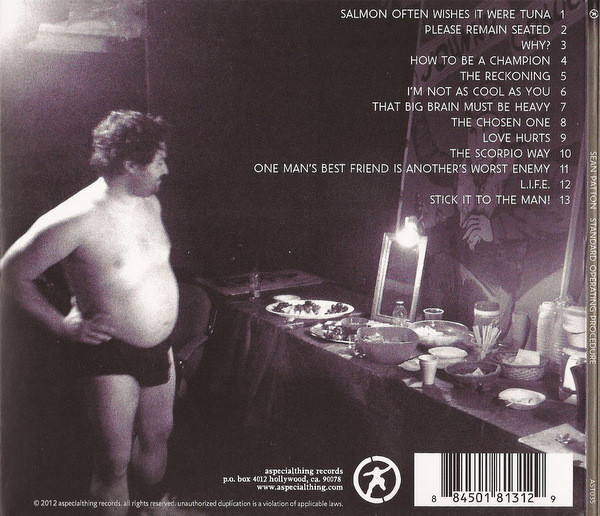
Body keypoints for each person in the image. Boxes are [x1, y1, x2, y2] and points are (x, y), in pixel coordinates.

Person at [1, 110, 179, 514]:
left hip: (159, 346)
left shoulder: (149, 202)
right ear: (130, 164)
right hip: (108, 350)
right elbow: (11, 273)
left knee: (157, 436)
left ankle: (153, 508)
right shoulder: (75, 218)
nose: (165, 170)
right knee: (113, 462)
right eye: (159, 160)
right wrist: (62, 327)